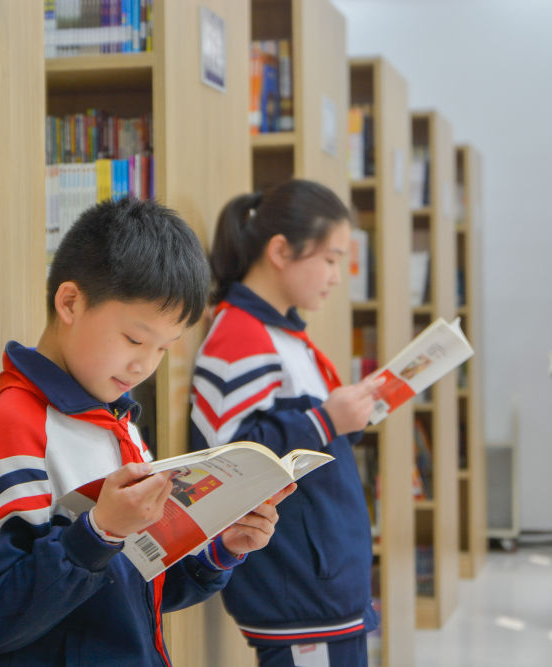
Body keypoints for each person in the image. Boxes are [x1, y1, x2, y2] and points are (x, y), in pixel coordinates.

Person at [0, 197, 293, 666]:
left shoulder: (118, 426)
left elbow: (128, 594)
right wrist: (99, 532)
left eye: (163, 349)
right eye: (134, 339)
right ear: (70, 302)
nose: (144, 366)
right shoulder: (15, 426)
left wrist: (218, 551)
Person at [189, 179, 382, 667]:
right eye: (332, 258)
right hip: (298, 590)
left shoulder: (284, 333)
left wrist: (343, 418)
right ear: (280, 250)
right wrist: (324, 420)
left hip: (322, 586)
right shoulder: (240, 335)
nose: (337, 276)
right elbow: (226, 460)